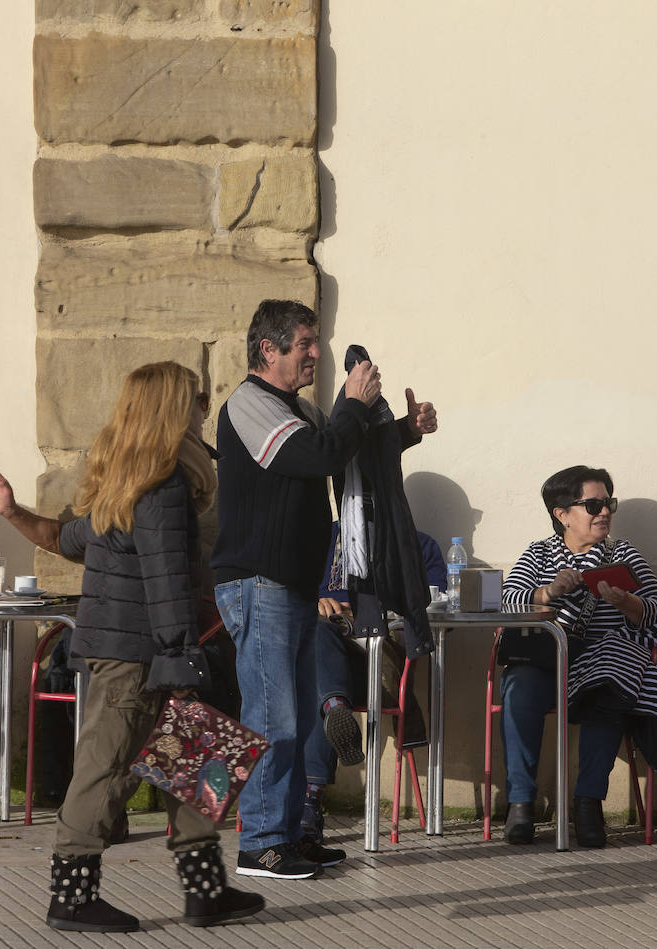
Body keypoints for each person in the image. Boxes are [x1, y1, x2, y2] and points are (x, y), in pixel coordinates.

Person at [0, 362, 265, 932]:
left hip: (138, 651)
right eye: (196, 398)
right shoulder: (160, 488)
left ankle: (205, 890)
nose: (203, 409)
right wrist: (184, 661)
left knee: (192, 756)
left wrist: (11, 511)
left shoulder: (121, 483)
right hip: (140, 656)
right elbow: (166, 582)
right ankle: (72, 896)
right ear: (170, 409)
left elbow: (66, 539)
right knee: (104, 770)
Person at [211, 299, 437, 879]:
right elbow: (319, 454)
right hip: (257, 584)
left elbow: (349, 456)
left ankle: (290, 835)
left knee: (303, 718)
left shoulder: (299, 409)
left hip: (292, 587)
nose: (317, 353)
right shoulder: (249, 404)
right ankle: (260, 841)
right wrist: (357, 406)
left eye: (316, 342)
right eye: (305, 343)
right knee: (273, 717)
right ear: (270, 350)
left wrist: (405, 432)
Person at [500, 465, 657, 848]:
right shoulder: (539, 553)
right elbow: (507, 600)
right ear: (561, 514)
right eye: (593, 504)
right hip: (549, 661)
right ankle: (520, 804)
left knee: (610, 685)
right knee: (518, 686)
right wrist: (548, 592)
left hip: (600, 662)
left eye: (608, 503)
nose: (604, 512)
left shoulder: (623, 554)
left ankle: (588, 803)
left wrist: (628, 602)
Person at [300, 522, 446, 841]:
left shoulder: (418, 545)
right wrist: (315, 603)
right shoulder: (321, 539)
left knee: (318, 687)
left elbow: (436, 611)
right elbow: (289, 595)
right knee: (318, 637)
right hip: (329, 653)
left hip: (383, 660)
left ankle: (309, 805)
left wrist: (375, 612)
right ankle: (336, 707)